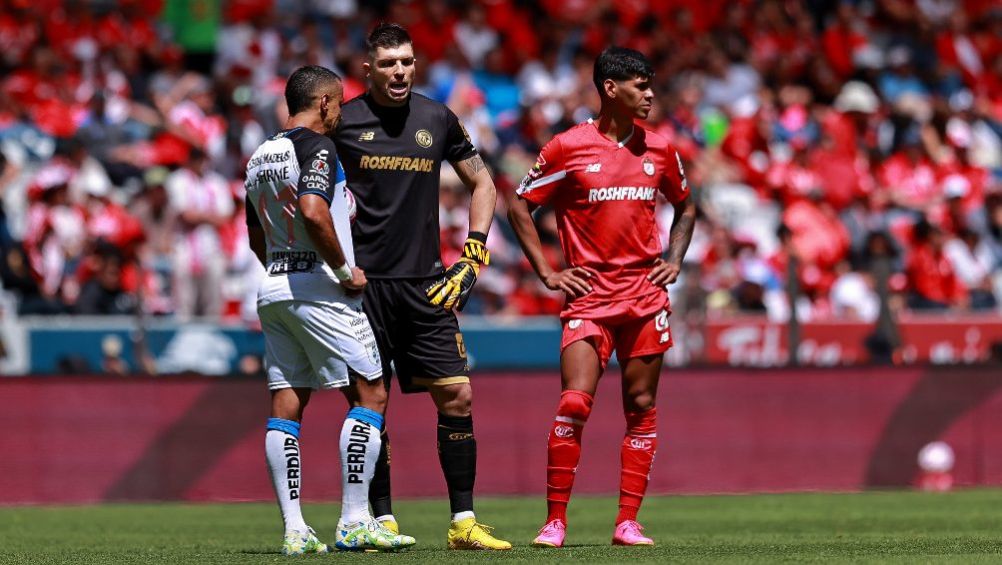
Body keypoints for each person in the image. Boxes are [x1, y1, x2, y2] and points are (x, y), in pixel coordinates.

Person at [507, 47, 697, 548]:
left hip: (644, 297)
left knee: (640, 403)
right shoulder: (566, 147)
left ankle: (628, 522)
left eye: (651, 83)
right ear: (610, 89)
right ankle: (555, 521)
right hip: (589, 298)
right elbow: (519, 207)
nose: (650, 92)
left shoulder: (661, 149)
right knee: (574, 401)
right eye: (639, 84)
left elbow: (687, 207)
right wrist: (548, 272)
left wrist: (674, 259)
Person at [331, 24, 510, 550]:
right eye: (388, 63)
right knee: (370, 403)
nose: (400, 71)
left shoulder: (437, 117)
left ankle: (463, 524)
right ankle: (379, 519)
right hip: (363, 289)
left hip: (427, 285)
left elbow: (484, 181)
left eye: (406, 61)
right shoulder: (343, 122)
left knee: (456, 394)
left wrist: (474, 253)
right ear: (369, 69)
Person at [244, 65, 415, 554]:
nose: (341, 112)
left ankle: (295, 531)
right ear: (323, 103)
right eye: (338, 103)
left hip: (274, 285)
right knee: (373, 392)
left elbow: (255, 232)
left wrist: (284, 267)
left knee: (287, 401)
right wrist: (343, 272)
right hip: (319, 288)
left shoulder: (259, 155)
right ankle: (355, 519)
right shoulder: (318, 146)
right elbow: (315, 212)